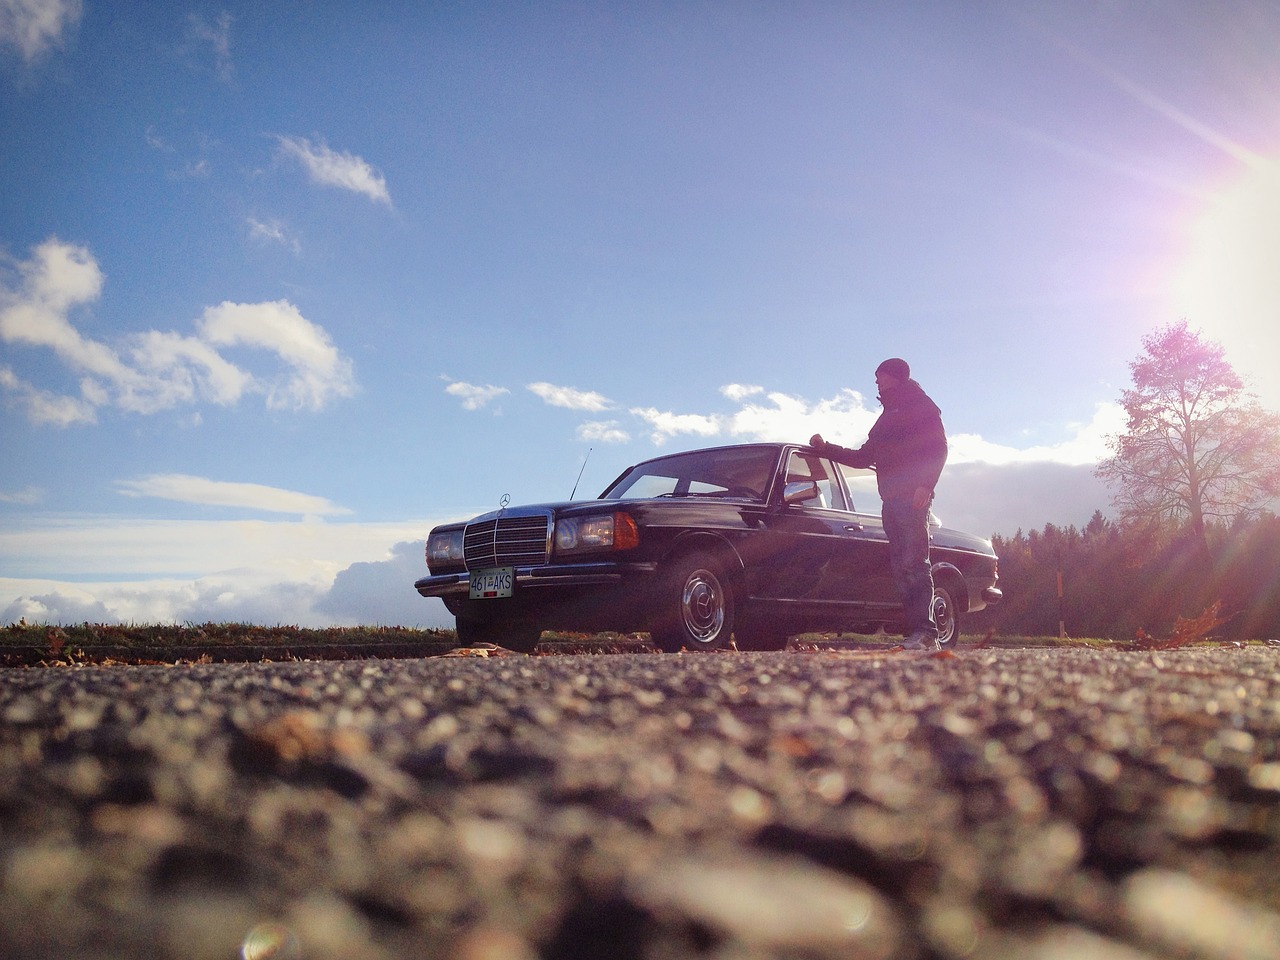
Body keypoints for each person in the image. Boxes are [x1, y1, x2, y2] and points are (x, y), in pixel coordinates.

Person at [809, 358, 948, 650]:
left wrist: (926, 484)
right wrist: (825, 449)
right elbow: (862, 457)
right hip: (890, 500)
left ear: (895, 376)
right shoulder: (887, 415)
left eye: (879, 376)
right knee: (900, 568)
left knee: (915, 564)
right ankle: (916, 634)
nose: (876, 382)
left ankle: (927, 634)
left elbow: (938, 447)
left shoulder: (921, 405)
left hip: (913, 498)